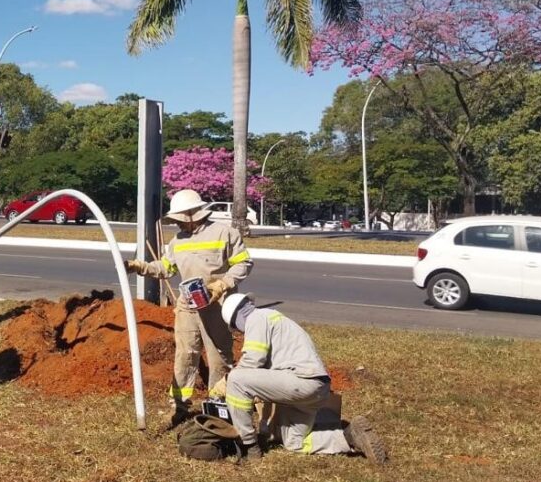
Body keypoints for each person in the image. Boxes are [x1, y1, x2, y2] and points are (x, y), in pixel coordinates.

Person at [125, 189, 253, 424]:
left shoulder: (225, 233)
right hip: (188, 305)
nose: (177, 224)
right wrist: (139, 266)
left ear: (193, 214)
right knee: (185, 355)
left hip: (216, 306)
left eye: (180, 219)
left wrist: (222, 285)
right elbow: (166, 268)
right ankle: (179, 406)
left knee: (218, 357)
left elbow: (243, 263)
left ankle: (219, 404)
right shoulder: (177, 241)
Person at [218, 292, 388, 464]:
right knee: (294, 442)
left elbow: (253, 360)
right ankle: (351, 436)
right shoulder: (276, 320)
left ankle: (249, 447)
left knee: (236, 379)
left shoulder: (256, 318)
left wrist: (226, 382)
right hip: (316, 388)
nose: (240, 332)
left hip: (301, 381)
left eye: (237, 328)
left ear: (236, 320)